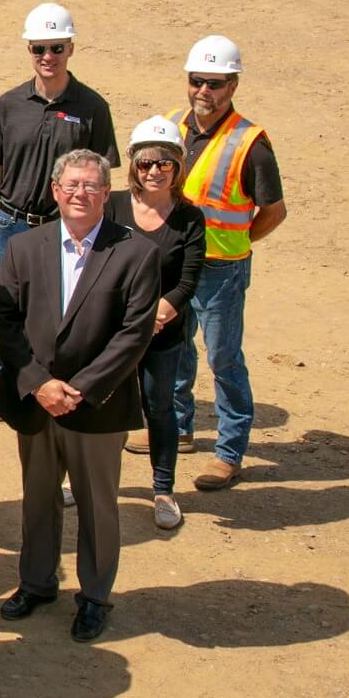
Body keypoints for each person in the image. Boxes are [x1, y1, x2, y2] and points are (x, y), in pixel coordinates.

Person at [0, 150, 159, 643]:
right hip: (36, 401)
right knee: (38, 499)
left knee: (98, 506)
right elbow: (5, 319)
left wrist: (80, 390)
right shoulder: (24, 247)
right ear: (55, 192)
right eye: (72, 185)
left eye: (91, 186)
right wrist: (39, 383)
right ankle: (37, 583)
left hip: (98, 407)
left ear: (108, 194)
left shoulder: (136, 253)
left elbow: (134, 334)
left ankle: (95, 596)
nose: (80, 193)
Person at [0, 3, 119, 427]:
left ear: (71, 47)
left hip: (67, 225)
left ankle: (60, 383)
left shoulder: (92, 107)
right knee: (9, 307)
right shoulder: (8, 104)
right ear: (29, 50)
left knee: (67, 306)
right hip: (14, 223)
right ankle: (5, 389)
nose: (47, 56)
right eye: (39, 48)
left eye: (56, 47)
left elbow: (100, 175)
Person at [170, 36, 287, 492]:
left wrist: (239, 240)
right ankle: (179, 429)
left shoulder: (251, 143)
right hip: (179, 263)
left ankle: (229, 451)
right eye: (197, 81)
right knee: (177, 348)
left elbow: (273, 211)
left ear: (232, 85)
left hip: (221, 269)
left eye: (214, 83)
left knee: (223, 357)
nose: (204, 91)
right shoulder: (174, 126)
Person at [109, 116, 205, 530]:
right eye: (145, 163)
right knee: (103, 406)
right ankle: (87, 481)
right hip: (110, 331)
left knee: (159, 408)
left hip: (162, 333)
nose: (153, 171)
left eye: (164, 163)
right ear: (133, 164)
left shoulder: (189, 218)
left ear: (178, 167)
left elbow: (189, 277)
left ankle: (163, 490)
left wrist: (160, 313)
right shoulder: (111, 206)